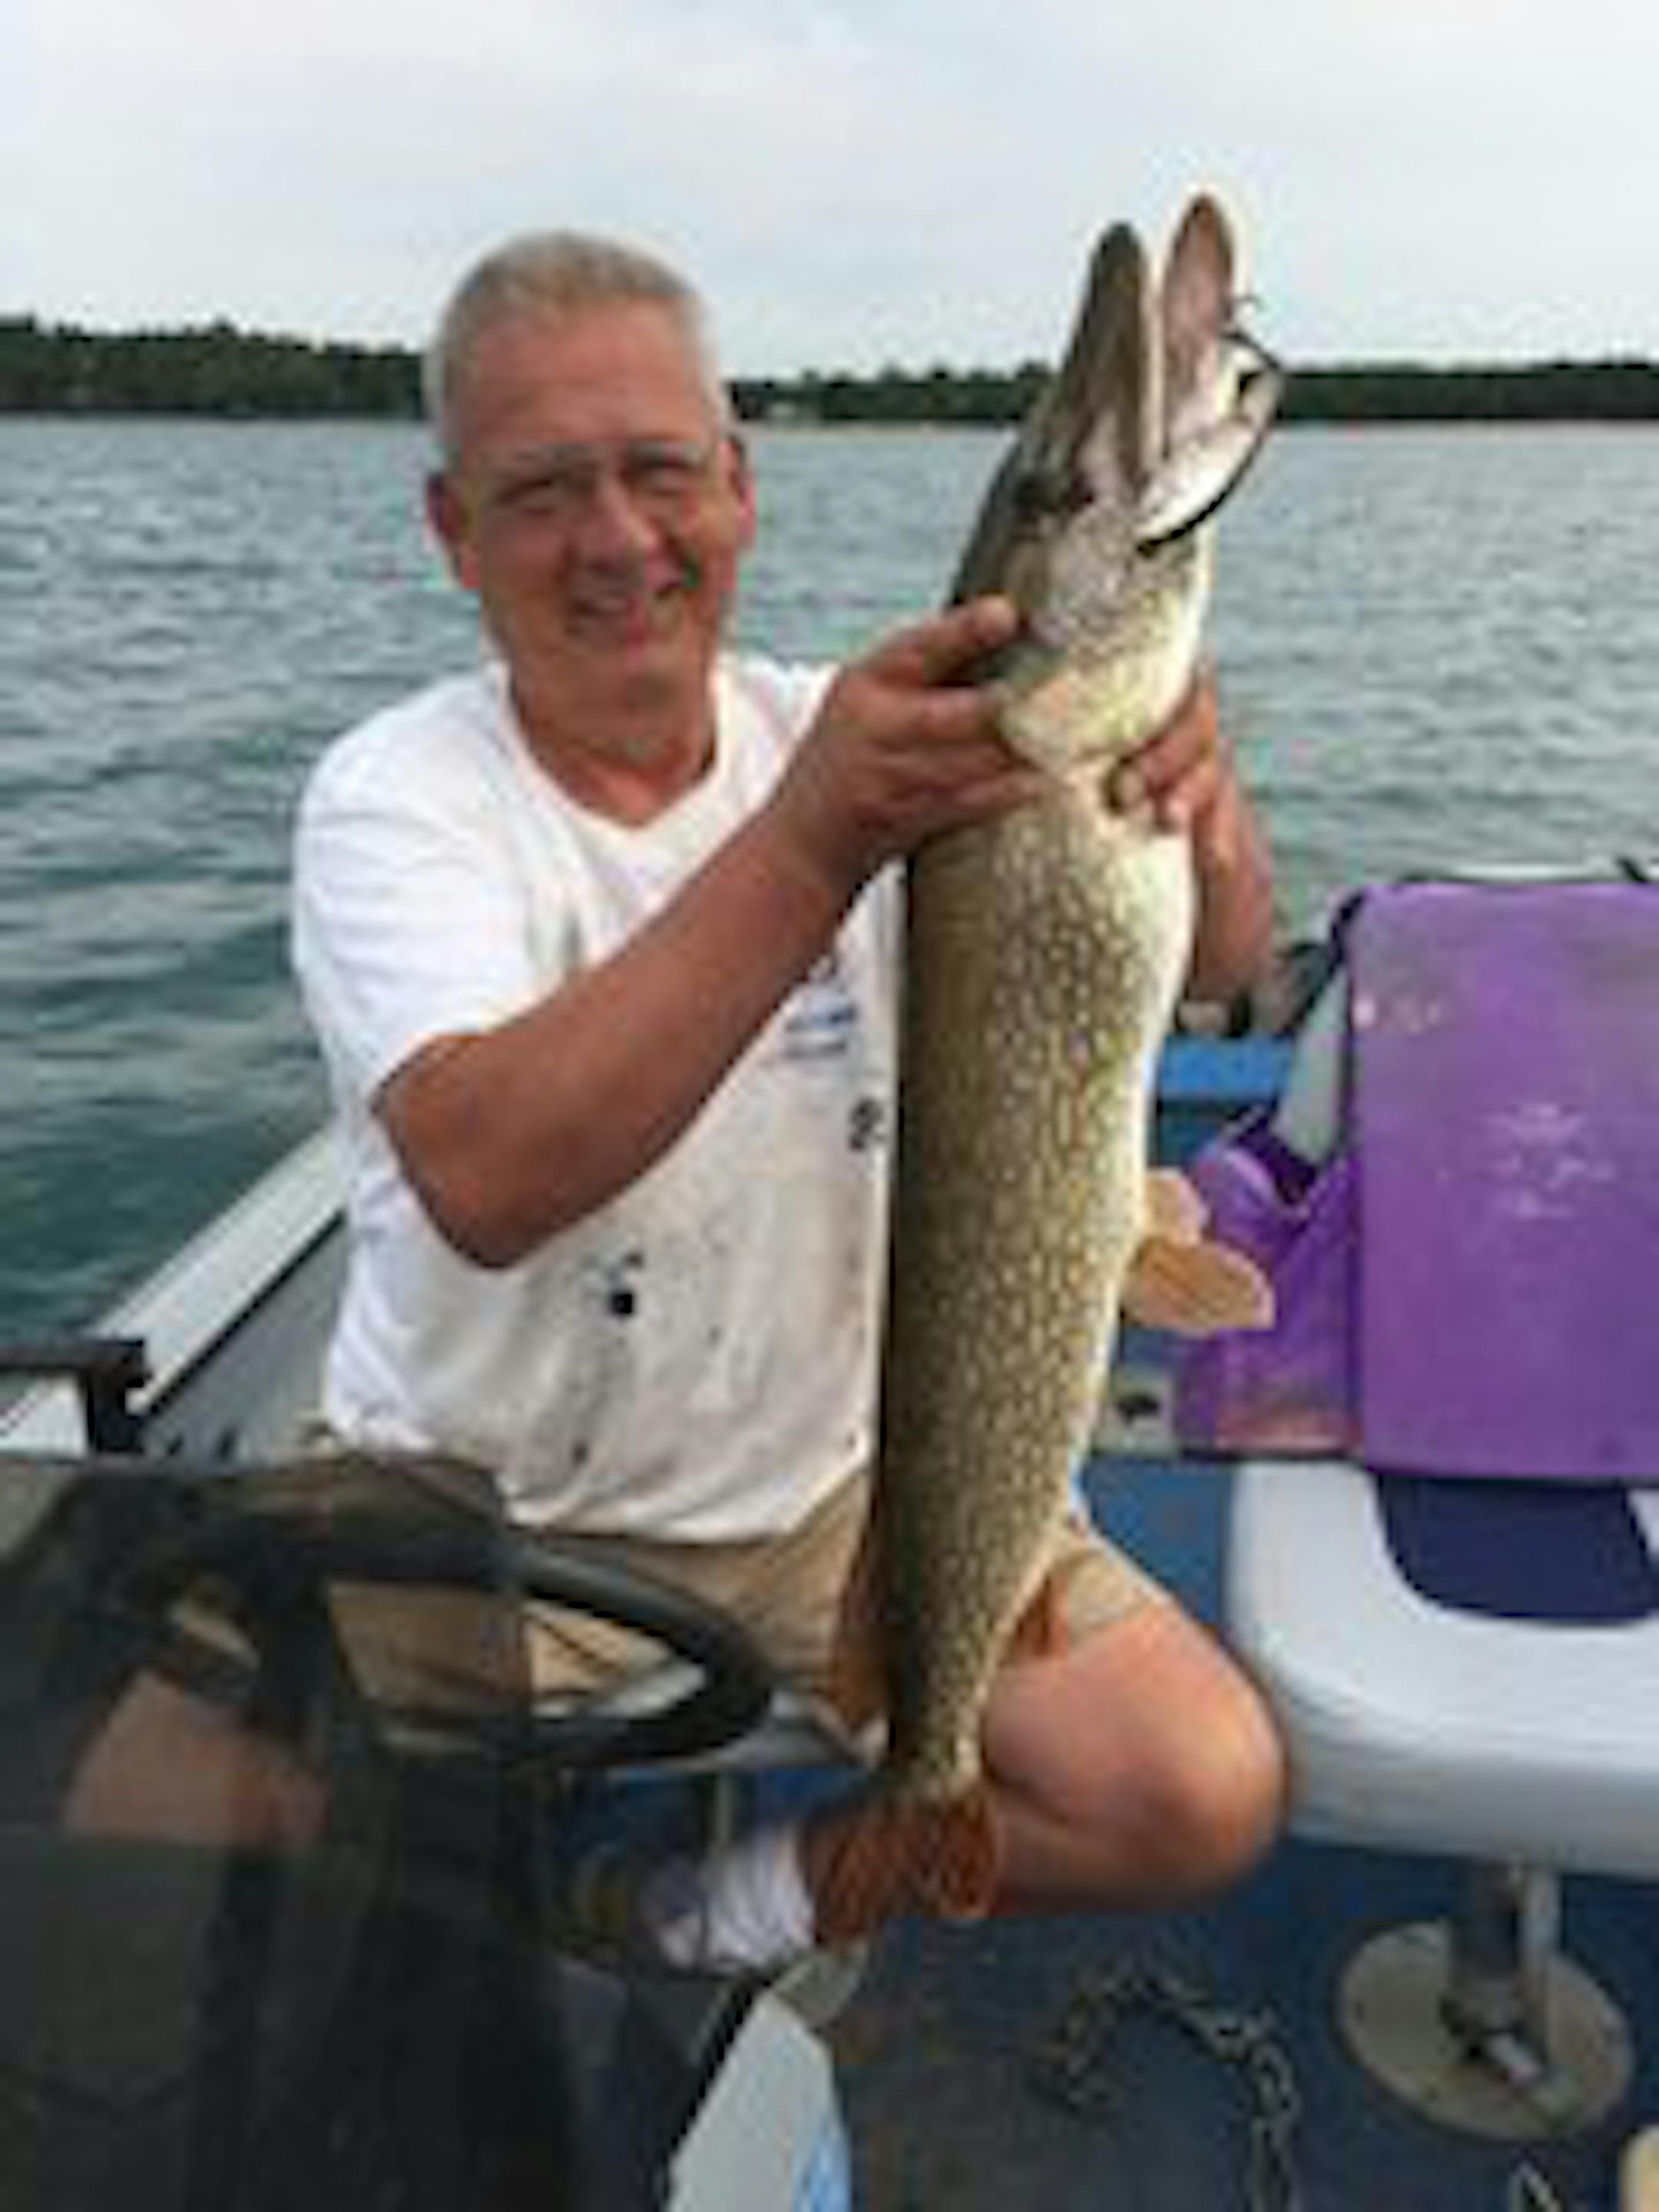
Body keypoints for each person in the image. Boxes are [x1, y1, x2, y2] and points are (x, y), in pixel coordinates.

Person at [286, 230, 1285, 1975]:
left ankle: (714, 1907)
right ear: (456, 532)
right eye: (542, 491)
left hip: (849, 1494)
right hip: (489, 1503)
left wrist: (1202, 801)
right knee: (125, 1797)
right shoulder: (401, 800)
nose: (618, 540)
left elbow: (1222, 970)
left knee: (1196, 1790)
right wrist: (820, 833)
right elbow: (490, 1176)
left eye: (663, 471)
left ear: (737, 491)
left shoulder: (862, 727)